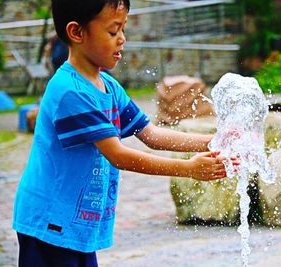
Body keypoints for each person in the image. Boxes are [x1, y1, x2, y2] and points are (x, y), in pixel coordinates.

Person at [12, 0, 233, 266]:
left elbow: (151, 134)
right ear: (77, 33)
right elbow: (118, 155)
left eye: (123, 30)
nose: (122, 40)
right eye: (113, 31)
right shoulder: (71, 91)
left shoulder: (108, 87)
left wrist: (215, 140)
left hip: (74, 224)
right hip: (50, 225)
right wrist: (189, 169)